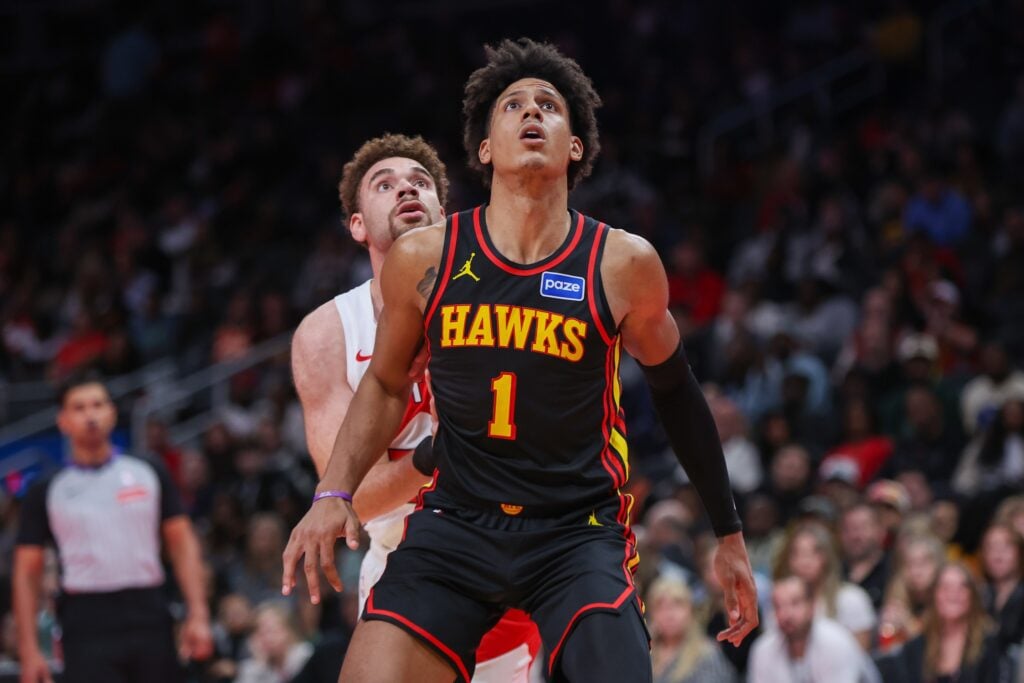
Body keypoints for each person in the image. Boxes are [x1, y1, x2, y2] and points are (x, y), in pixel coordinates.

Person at [282, 38, 758, 683]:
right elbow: (388, 382)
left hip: (575, 529)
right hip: (456, 522)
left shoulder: (622, 263)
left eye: (548, 105)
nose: (531, 112)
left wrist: (727, 532)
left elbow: (677, 392)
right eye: (511, 105)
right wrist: (333, 491)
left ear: (575, 146)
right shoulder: (427, 257)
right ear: (484, 148)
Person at [289, 133, 541, 681]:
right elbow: (358, 497)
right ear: (357, 224)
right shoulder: (328, 333)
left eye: (420, 182)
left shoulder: (502, 294)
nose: (405, 188)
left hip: (501, 546)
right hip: (400, 555)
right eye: (384, 185)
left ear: (442, 212)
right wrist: (442, 453)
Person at [12, 376, 213, 683]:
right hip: (85, 619)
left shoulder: (148, 470)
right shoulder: (47, 488)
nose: (90, 415)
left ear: (112, 413)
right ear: (63, 421)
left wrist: (197, 613)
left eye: (97, 405)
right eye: (79, 408)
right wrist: (29, 650)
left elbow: (182, 542)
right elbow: (27, 571)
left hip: (149, 610)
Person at [875, 562, 1001, 683]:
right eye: (945, 587)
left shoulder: (989, 643)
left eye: (962, 587)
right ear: (934, 595)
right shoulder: (916, 647)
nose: (953, 593)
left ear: (972, 595)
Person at [748, 576, 880, 683]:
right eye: (778, 606)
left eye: (795, 603)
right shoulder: (762, 650)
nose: (785, 614)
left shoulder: (836, 642)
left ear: (812, 606)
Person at [773, 521, 877, 650]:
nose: (804, 561)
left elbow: (860, 659)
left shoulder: (851, 599)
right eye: (796, 553)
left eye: (814, 552)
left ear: (827, 557)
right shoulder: (781, 603)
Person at [647, 576, 737, 683]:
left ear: (690, 611)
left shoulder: (706, 654)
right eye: (660, 607)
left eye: (677, 605)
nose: (669, 615)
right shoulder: (645, 652)